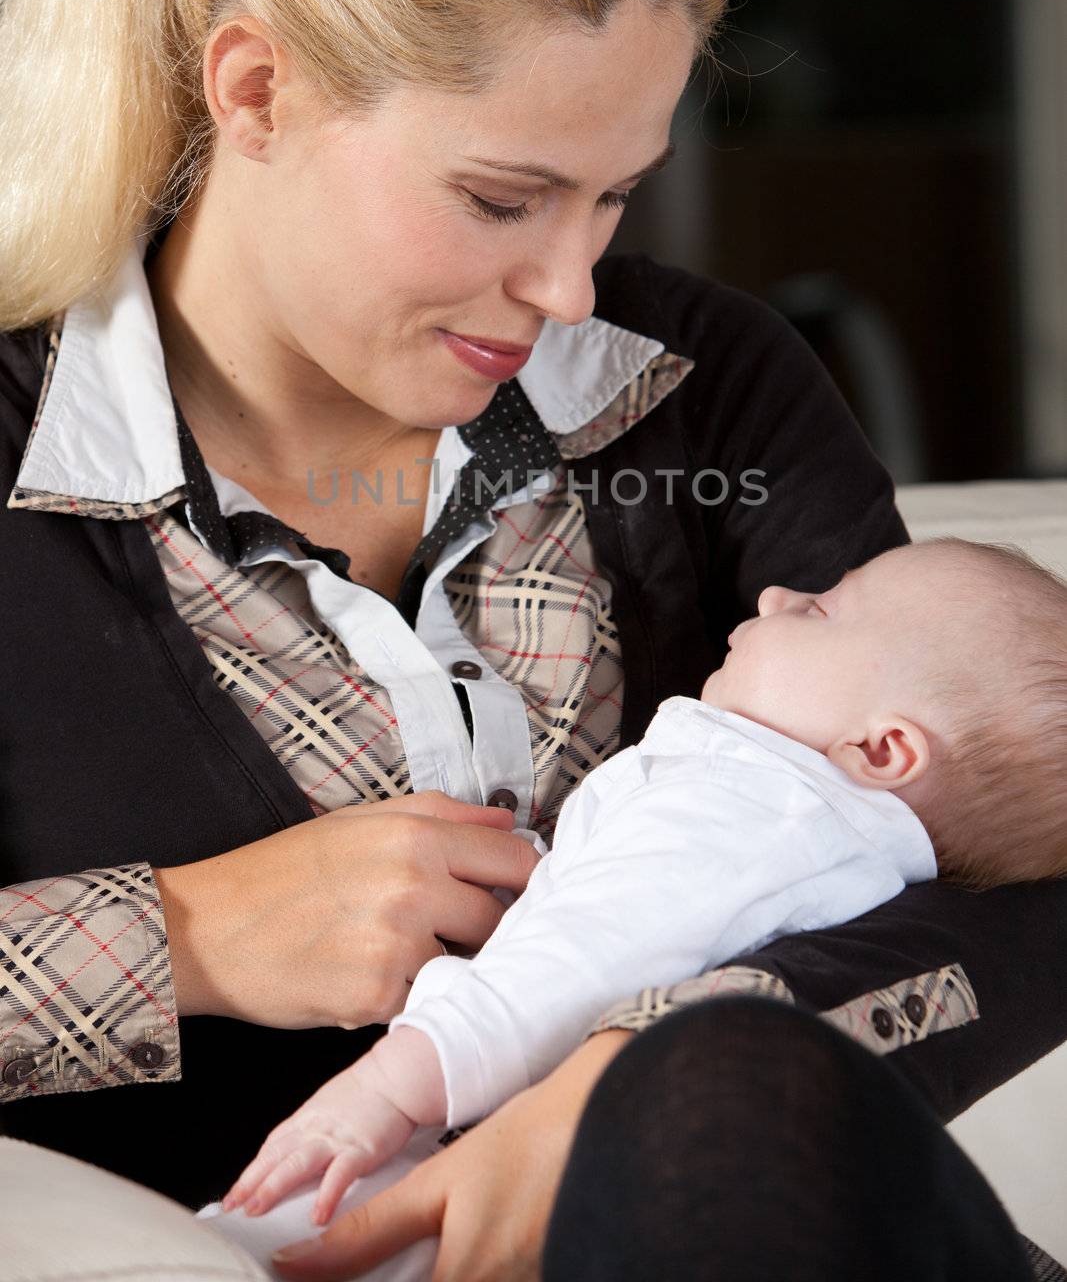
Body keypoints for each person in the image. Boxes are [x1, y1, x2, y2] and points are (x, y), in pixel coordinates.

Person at [0, 0, 1062, 1279]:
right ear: (253, 91)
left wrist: (657, 1059)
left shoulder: (711, 391)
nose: (572, 286)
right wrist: (187, 940)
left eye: (616, 197)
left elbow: (1014, 872)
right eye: (504, 199)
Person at [203, 535, 1066, 1274]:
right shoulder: (833, 847)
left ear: (882, 748)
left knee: (255, 1246)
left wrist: (384, 1092)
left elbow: (577, 960)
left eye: (824, 611)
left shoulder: (750, 804)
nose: (776, 592)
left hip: (493, 1149)